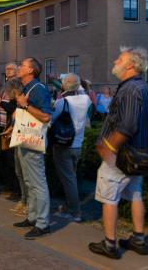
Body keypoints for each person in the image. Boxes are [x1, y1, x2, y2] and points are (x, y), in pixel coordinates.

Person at [89, 47, 148, 259]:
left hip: (120, 156)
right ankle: (139, 239)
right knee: (135, 194)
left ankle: (110, 244)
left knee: (110, 198)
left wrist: (107, 147)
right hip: (139, 155)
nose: (115, 61)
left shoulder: (129, 89)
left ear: (130, 65)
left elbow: (127, 126)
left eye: (119, 59)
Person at [12, 57, 52, 239]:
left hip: (33, 142)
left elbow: (45, 117)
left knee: (38, 183)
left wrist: (25, 105)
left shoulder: (39, 90)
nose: (19, 67)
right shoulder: (28, 88)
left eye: (22, 65)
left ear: (31, 70)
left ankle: (43, 223)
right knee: (29, 182)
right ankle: (33, 217)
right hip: (25, 139)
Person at [51, 73, 91, 223]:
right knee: (71, 178)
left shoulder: (63, 102)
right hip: (78, 144)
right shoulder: (86, 99)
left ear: (63, 86)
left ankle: (75, 212)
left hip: (63, 145)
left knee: (69, 181)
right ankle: (70, 207)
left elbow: (51, 119)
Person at [0, 62, 26, 213]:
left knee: (12, 159)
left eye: (10, 69)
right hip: (3, 124)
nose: (7, 71)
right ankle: (9, 186)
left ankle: (16, 191)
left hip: (11, 126)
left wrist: (0, 103)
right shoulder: (5, 85)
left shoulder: (17, 86)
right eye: (6, 69)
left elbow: (14, 108)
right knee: (5, 158)